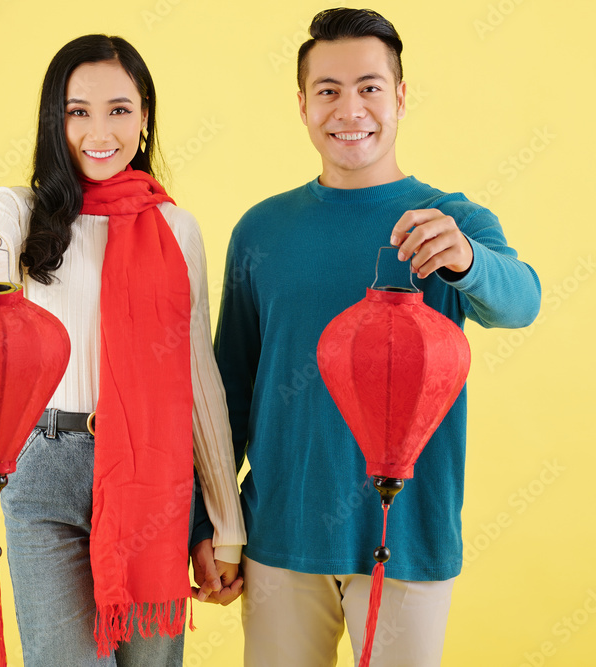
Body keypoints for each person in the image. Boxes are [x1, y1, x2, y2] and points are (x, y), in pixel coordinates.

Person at [207, 8, 542, 666]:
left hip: (409, 536)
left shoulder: (450, 221)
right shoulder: (261, 230)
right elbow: (229, 393)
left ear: (401, 97)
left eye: (370, 86)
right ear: (302, 105)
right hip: (278, 534)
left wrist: (469, 260)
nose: (349, 108)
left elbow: (522, 302)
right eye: (328, 90)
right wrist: (208, 523)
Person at [0, 34, 246, 667]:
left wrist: (226, 523)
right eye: (77, 111)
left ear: (144, 119)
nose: (99, 130)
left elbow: (198, 380)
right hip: (47, 468)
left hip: (151, 472)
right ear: (55, 121)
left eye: (119, 108)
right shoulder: (26, 213)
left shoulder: (176, 229)